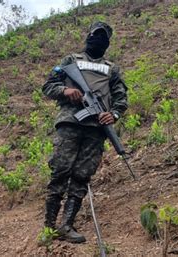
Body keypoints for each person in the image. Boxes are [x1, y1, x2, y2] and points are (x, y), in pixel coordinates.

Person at [42, 21, 128, 243]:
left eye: (103, 37)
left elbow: (121, 99)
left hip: (96, 129)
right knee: (60, 171)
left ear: (107, 43)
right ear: (88, 37)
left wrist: (114, 115)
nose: (98, 40)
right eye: (95, 35)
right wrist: (66, 90)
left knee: (82, 176)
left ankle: (66, 225)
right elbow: (48, 86)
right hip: (70, 123)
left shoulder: (112, 69)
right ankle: (49, 228)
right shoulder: (70, 61)